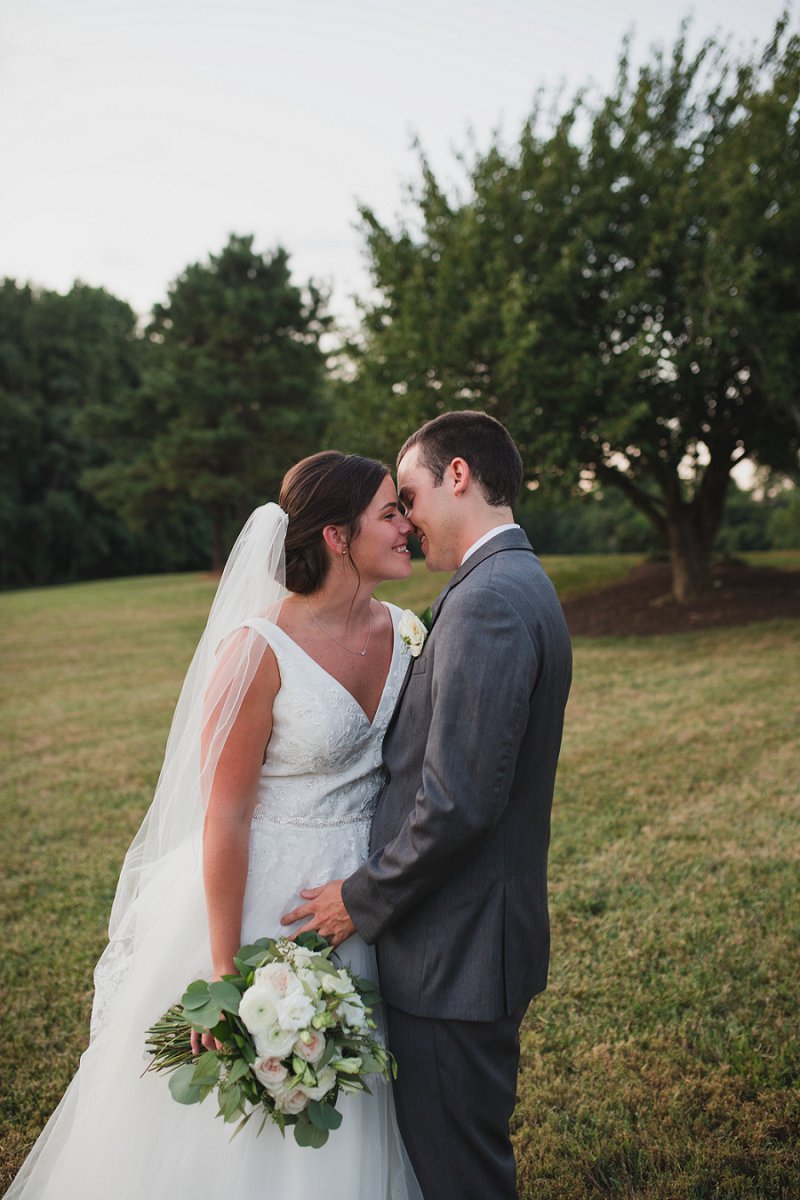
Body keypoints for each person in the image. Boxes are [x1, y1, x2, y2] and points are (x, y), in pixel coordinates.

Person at [7, 451, 422, 1200]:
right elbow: (224, 815)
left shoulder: (407, 630)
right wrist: (228, 967)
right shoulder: (256, 652)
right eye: (391, 512)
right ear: (336, 536)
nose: (408, 525)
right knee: (256, 1117)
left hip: (366, 890)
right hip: (271, 899)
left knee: (362, 1086)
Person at [282, 412, 573, 1200]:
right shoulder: (509, 582)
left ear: (457, 476)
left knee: (460, 1178)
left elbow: (457, 804)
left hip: (458, 954)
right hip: (466, 943)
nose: (405, 521)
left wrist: (358, 899)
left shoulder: (488, 601)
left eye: (408, 495)